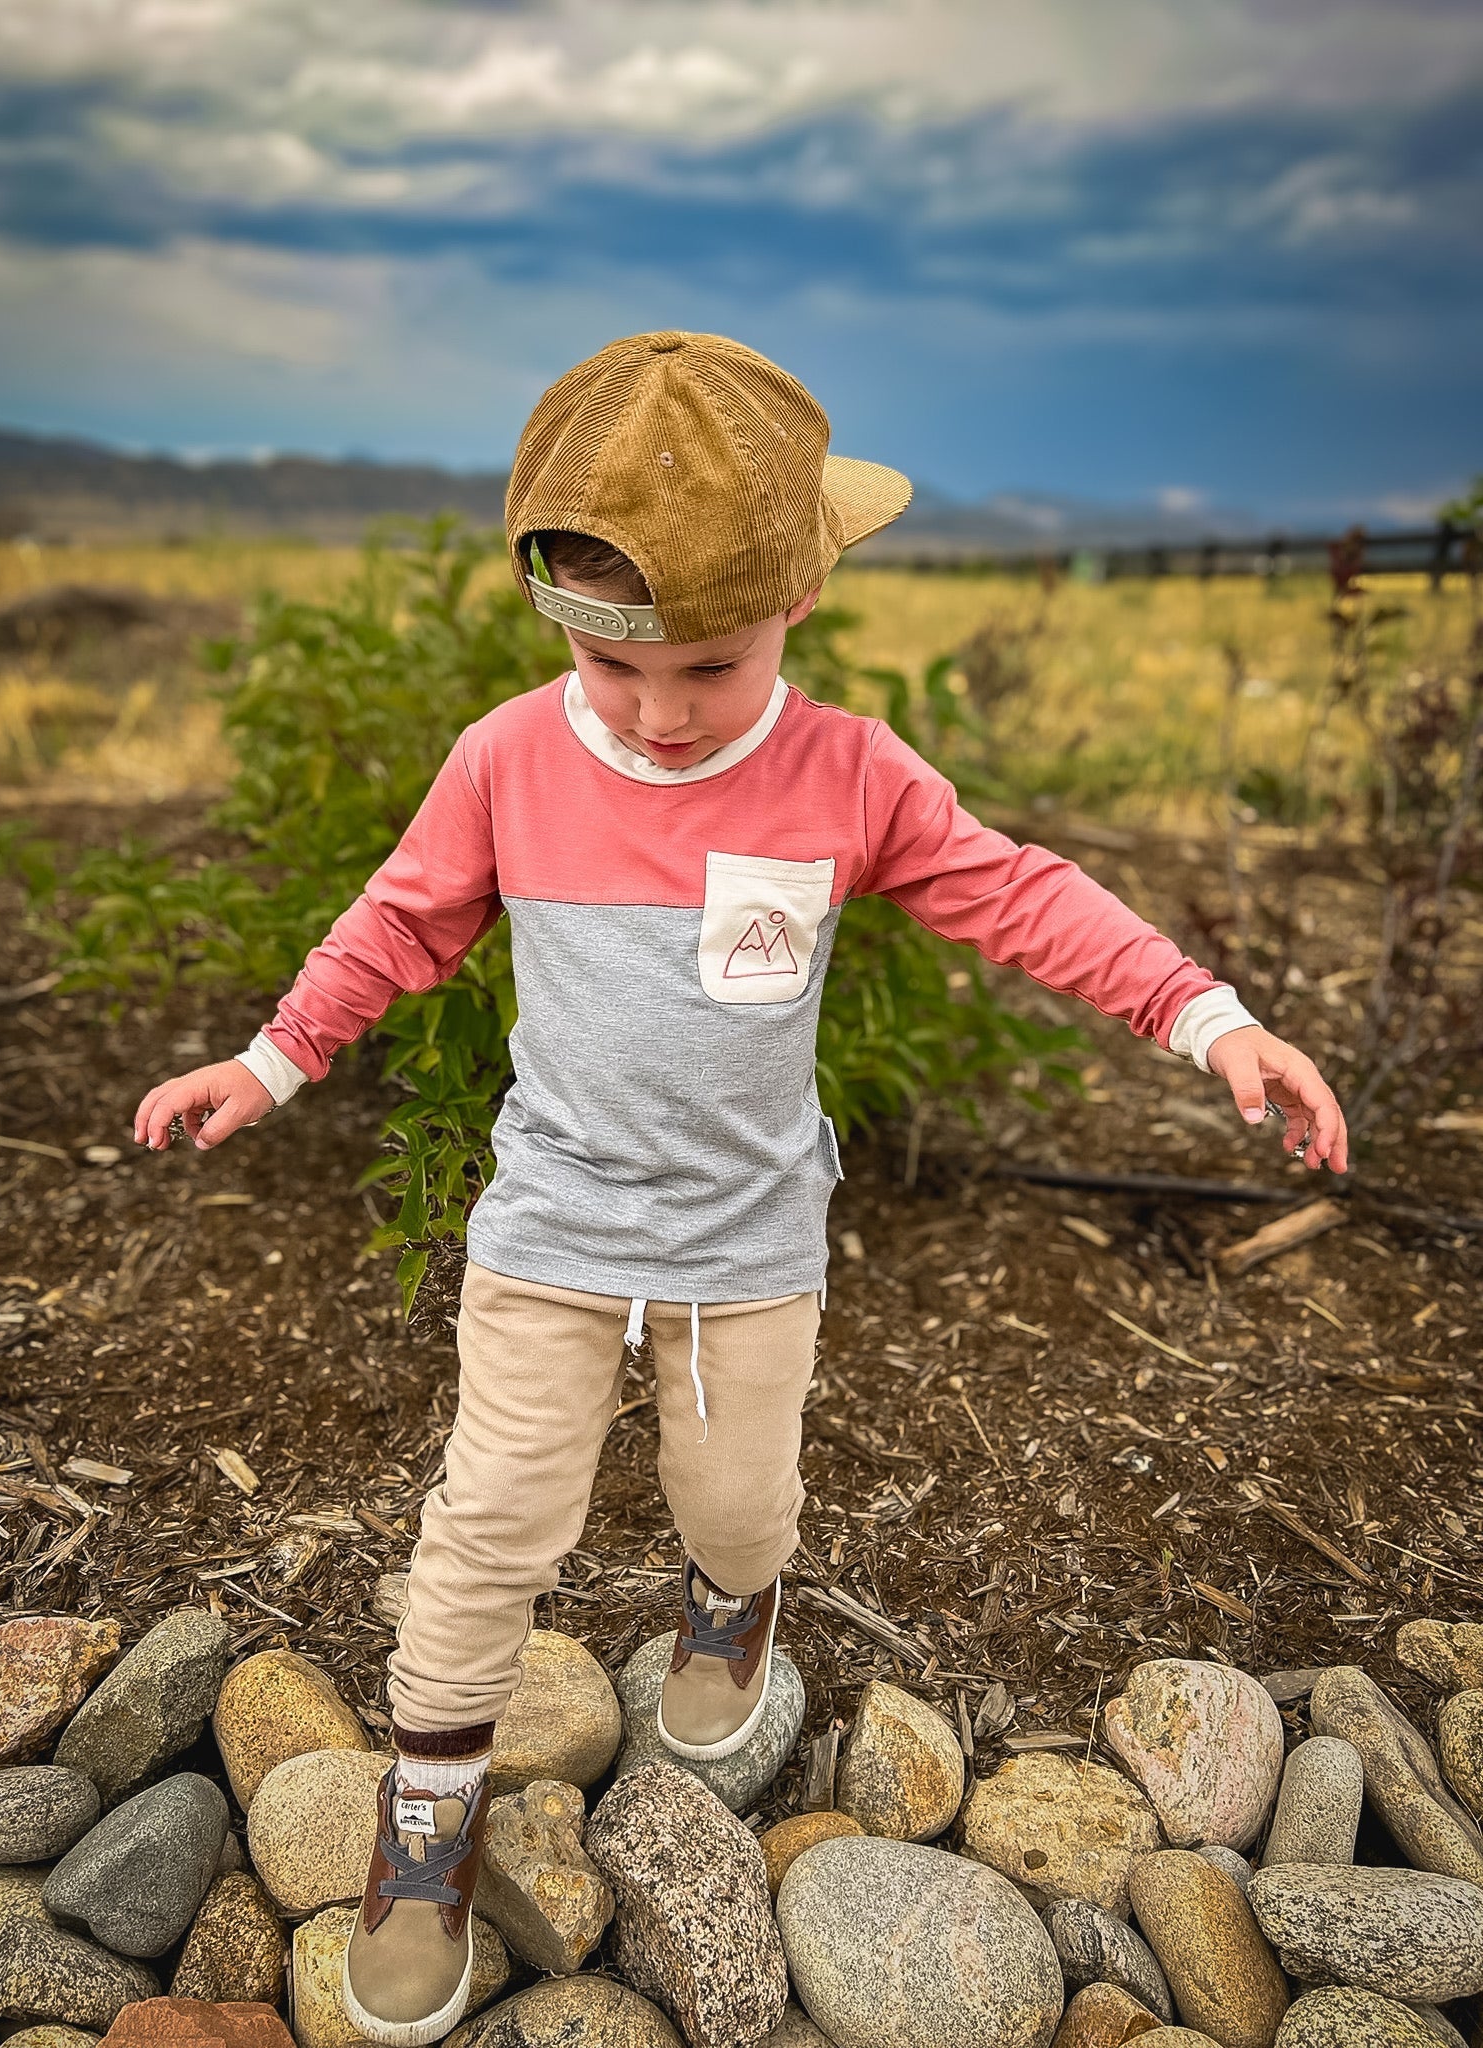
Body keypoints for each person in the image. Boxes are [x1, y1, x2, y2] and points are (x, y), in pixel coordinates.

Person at [133, 330, 1348, 2044]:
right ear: (552, 610)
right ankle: (428, 1819)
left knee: (739, 1503)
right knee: (488, 1530)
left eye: (707, 665)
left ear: (801, 604)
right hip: (553, 1225)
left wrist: (1205, 1015)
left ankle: (734, 1602)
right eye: (612, 665)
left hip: (749, 1248)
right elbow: (398, 923)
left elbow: (1021, 894)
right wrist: (266, 1063)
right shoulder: (505, 761)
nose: (658, 709)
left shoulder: (849, 774)